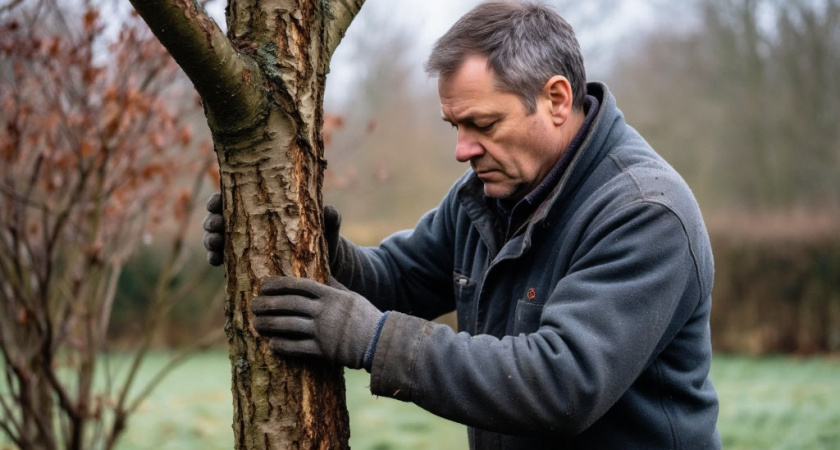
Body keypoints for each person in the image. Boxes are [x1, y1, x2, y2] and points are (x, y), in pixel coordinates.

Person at [203, 1, 720, 448]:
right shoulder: (487, 195)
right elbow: (399, 281)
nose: (462, 150)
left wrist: (373, 340)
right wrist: (317, 248)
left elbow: (562, 383)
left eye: (483, 125)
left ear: (557, 100)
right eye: (455, 126)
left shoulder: (645, 211)